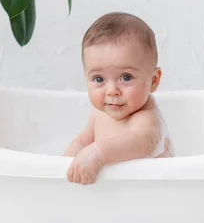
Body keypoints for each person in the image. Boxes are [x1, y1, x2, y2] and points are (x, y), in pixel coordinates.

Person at [64, 12, 173, 185]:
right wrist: (66, 163)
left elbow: (144, 142)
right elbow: (82, 141)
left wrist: (97, 154)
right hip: (116, 195)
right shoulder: (100, 114)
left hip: (152, 193)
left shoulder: (146, 116)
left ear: (153, 81)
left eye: (126, 77)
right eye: (99, 79)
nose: (112, 91)